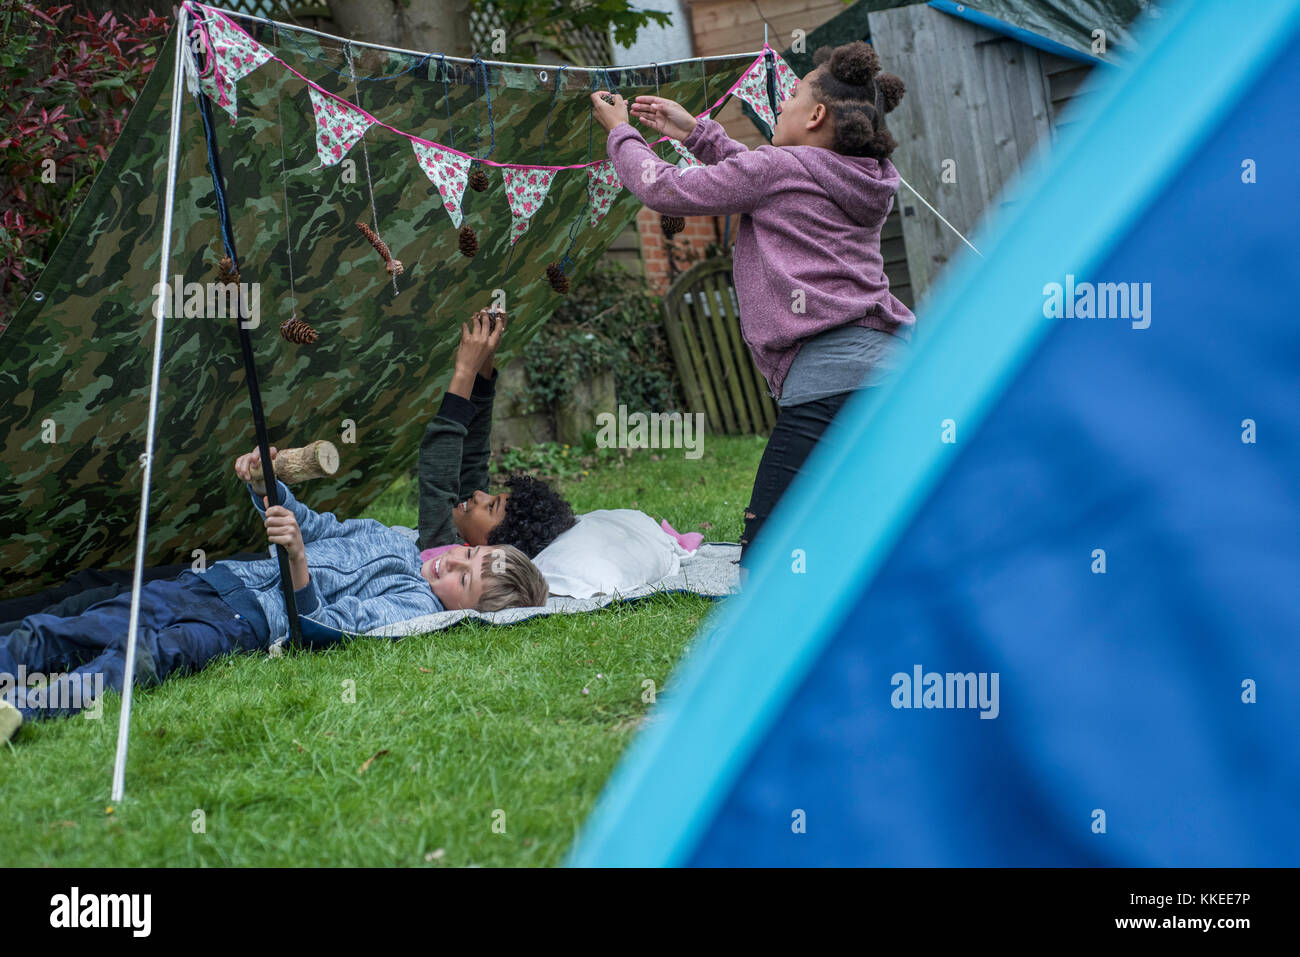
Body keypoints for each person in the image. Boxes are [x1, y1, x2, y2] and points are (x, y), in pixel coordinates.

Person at [0, 313, 550, 740]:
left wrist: (299, 566)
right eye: (467, 558)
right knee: (75, 626)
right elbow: (316, 524)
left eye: (464, 577)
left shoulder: (413, 606)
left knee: (140, 657)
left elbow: (325, 627)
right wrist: (269, 489)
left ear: (468, 614)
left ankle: (20, 710)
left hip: (245, 622)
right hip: (213, 581)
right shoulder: (401, 541)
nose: (451, 559)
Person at [591, 41, 915, 565]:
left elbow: (665, 190)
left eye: (790, 96)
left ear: (815, 116)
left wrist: (620, 133)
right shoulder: (863, 179)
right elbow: (764, 181)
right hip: (892, 368)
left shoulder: (780, 170)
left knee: (769, 560)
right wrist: (696, 133)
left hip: (828, 384)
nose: (780, 104)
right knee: (874, 531)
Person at [417, 308, 575, 561]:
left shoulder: (445, 552)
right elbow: (474, 454)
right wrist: (484, 364)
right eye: (493, 498)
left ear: (493, 549)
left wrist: (465, 371)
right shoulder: (469, 534)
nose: (479, 494)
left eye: (491, 506)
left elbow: (437, 475)